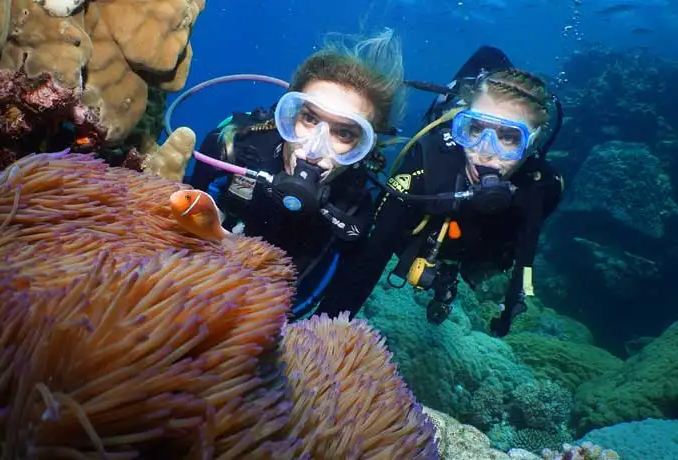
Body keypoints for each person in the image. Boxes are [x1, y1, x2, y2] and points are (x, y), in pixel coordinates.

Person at [316, 46, 565, 337]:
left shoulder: (542, 187)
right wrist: (321, 336)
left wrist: (506, 315)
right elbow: (370, 259)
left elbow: (524, 258)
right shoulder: (424, 164)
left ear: (533, 143)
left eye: (509, 137)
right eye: (474, 130)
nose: (484, 152)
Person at [185, 29, 407, 318]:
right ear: (289, 114)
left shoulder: (357, 209)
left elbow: (330, 306)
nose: (314, 149)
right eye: (310, 118)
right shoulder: (233, 145)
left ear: (366, 146)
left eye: (344, 133)